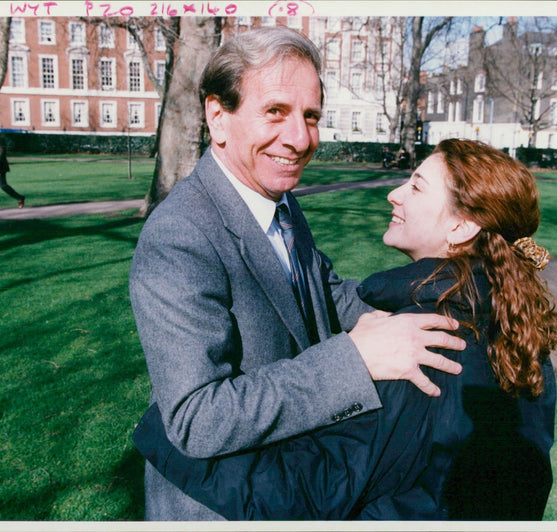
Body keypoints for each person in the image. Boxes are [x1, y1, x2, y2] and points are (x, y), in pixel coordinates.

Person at [133, 138, 557, 520]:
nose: (394, 194)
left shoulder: (418, 347)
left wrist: (164, 429)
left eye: (416, 186)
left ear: (462, 226)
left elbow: (299, 492)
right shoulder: (515, 325)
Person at [129, 27, 465, 521]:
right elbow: (197, 419)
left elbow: (321, 294)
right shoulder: (179, 237)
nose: (300, 139)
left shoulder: (276, 198)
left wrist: (421, 314)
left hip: (288, 488)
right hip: (220, 508)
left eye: (310, 117)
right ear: (217, 117)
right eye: (276, 112)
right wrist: (354, 359)